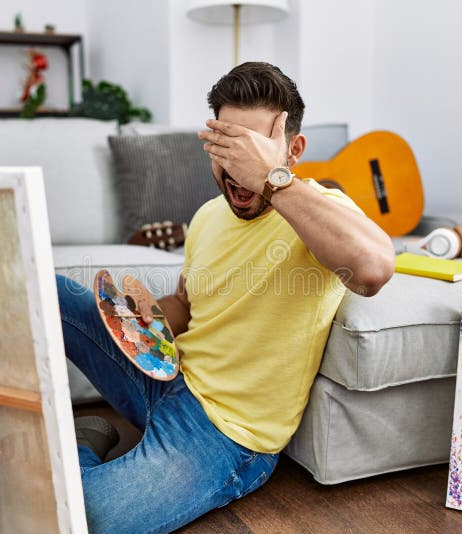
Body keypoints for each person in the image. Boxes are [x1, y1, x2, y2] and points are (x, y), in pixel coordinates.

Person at [56, 62, 395, 533]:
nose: (237, 167)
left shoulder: (320, 209)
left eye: (251, 149)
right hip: (165, 379)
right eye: (225, 147)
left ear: (293, 151)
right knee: (50, 290)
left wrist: (271, 179)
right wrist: (133, 318)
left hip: (225, 436)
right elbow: (186, 307)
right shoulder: (207, 216)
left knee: (89, 517)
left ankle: (85, 441)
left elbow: (373, 270)